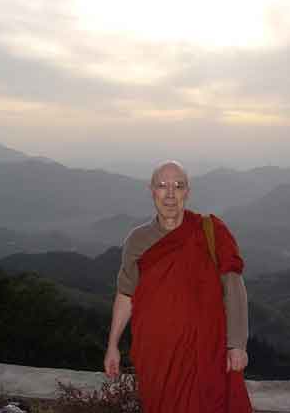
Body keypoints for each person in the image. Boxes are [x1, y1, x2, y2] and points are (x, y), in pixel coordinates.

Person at [104, 160, 252, 413]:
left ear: (188, 191)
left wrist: (237, 344)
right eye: (162, 186)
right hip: (155, 354)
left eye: (178, 186)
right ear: (151, 190)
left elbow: (234, 290)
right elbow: (126, 293)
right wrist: (112, 346)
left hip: (204, 352)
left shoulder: (210, 232)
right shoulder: (137, 240)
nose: (170, 194)